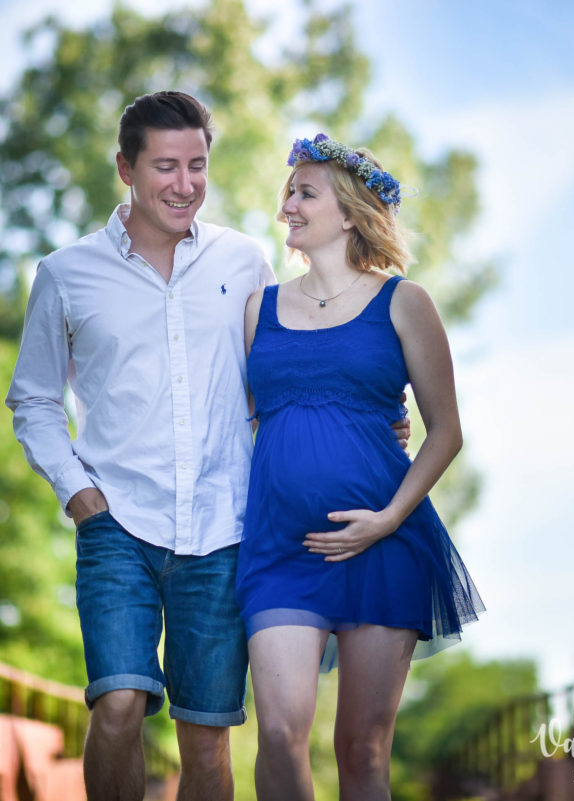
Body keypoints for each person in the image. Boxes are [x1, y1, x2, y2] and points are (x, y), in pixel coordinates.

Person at [4, 91, 274, 801]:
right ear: (125, 168)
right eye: (165, 167)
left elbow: (279, 380)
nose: (185, 184)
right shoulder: (66, 274)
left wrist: (371, 413)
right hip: (115, 523)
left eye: (197, 165)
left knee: (207, 742)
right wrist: (78, 494)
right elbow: (33, 398)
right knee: (118, 704)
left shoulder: (246, 261)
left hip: (222, 526)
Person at [235, 134, 486, 800]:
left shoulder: (405, 303)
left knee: (362, 748)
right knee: (281, 735)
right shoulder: (260, 309)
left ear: (347, 211)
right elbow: (263, 419)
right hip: (280, 548)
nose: (287, 204)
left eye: (304, 192)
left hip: (383, 542)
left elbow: (446, 431)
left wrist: (385, 519)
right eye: (288, 191)